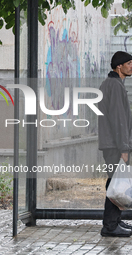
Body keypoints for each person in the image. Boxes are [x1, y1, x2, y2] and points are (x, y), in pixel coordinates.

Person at [98, 51, 132, 237]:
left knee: (115, 182)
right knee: (115, 183)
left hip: (111, 144)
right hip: (114, 145)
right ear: (119, 66)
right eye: (128, 63)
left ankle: (115, 221)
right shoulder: (115, 86)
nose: (131, 66)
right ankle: (110, 226)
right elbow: (119, 120)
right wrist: (124, 149)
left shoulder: (110, 83)